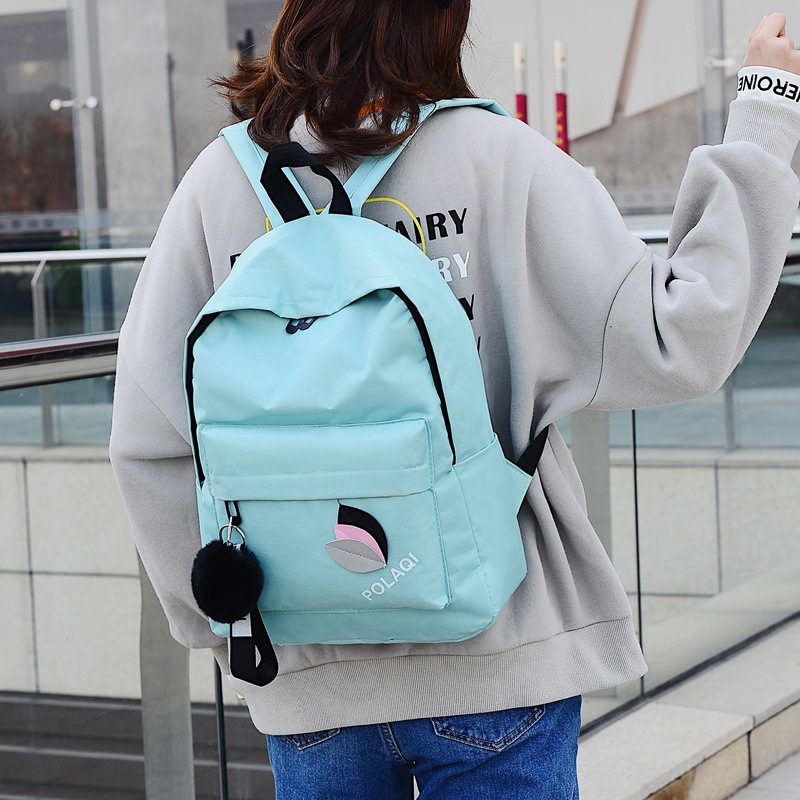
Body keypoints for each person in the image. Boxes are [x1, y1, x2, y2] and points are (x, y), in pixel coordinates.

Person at [109, 3, 800, 797]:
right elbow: (681, 335)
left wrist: (224, 617)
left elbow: (147, 438)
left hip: (306, 672)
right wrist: (765, 108)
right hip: (497, 650)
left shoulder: (218, 184)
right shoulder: (498, 159)